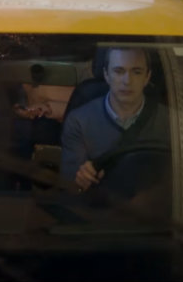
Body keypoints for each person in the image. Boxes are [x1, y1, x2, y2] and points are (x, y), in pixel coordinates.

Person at [60, 47, 169, 191]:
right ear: (106, 75)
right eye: (118, 71)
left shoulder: (170, 122)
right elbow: (70, 185)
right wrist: (82, 177)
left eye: (136, 72)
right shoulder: (79, 121)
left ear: (147, 77)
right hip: (98, 203)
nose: (127, 81)